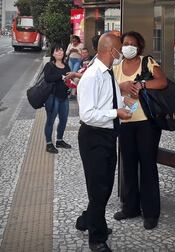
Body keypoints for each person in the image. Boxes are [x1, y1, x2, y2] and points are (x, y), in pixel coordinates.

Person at [76, 33, 134, 252]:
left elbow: (109, 99)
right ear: (111, 51)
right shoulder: (92, 76)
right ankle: (97, 239)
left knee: (103, 187)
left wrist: (125, 101)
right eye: (120, 49)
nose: (122, 53)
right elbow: (88, 114)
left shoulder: (108, 73)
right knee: (99, 189)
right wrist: (115, 112)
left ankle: (87, 221)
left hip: (108, 136)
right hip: (93, 137)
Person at [112, 31, 167, 230]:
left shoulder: (147, 62)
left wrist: (142, 84)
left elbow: (162, 82)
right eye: (125, 43)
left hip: (146, 124)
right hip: (125, 122)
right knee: (128, 165)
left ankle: (151, 212)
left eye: (132, 44)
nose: (128, 46)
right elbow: (110, 89)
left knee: (147, 166)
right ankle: (130, 207)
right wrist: (123, 85)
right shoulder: (116, 66)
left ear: (139, 46)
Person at [43, 44, 75, 154]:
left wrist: (70, 84)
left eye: (61, 50)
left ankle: (59, 140)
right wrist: (60, 77)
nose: (60, 52)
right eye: (57, 51)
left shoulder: (66, 66)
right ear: (53, 54)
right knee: (50, 121)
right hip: (52, 97)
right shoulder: (49, 65)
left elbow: (69, 79)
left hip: (64, 97)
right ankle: (49, 143)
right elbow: (47, 78)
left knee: (64, 120)